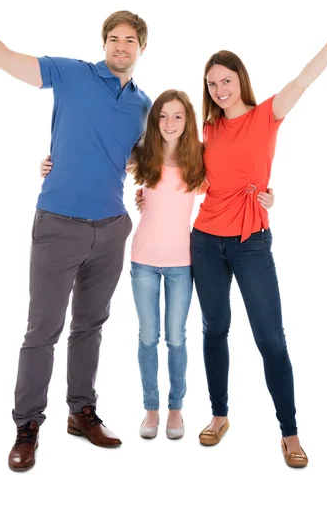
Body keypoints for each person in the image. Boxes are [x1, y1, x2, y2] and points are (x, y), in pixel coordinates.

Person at [0, 0, 151, 471]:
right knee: (43, 328)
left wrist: (145, 189)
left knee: (91, 325)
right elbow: (3, 57)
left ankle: (81, 412)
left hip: (112, 228)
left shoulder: (143, 105)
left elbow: (145, 161)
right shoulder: (72, 74)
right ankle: (27, 425)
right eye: (114, 39)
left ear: (142, 48)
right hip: (58, 224)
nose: (121, 47)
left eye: (130, 41)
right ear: (104, 45)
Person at [41, 90, 275, 440]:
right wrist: (53, 163)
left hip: (183, 263)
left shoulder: (199, 158)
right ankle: (151, 409)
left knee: (176, 338)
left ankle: (176, 410)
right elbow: (97, 158)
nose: (169, 123)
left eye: (178, 116)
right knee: (148, 337)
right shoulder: (143, 156)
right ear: (155, 121)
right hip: (144, 261)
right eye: (163, 116)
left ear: (188, 121)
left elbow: (234, 177)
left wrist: (265, 194)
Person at [190, 9, 327, 467]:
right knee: (214, 329)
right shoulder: (208, 129)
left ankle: (290, 432)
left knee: (271, 339)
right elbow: (194, 177)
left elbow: (303, 80)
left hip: (251, 241)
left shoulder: (266, 115)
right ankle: (219, 415)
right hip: (205, 240)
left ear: (240, 79)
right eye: (212, 85)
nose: (219, 90)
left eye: (226, 81)